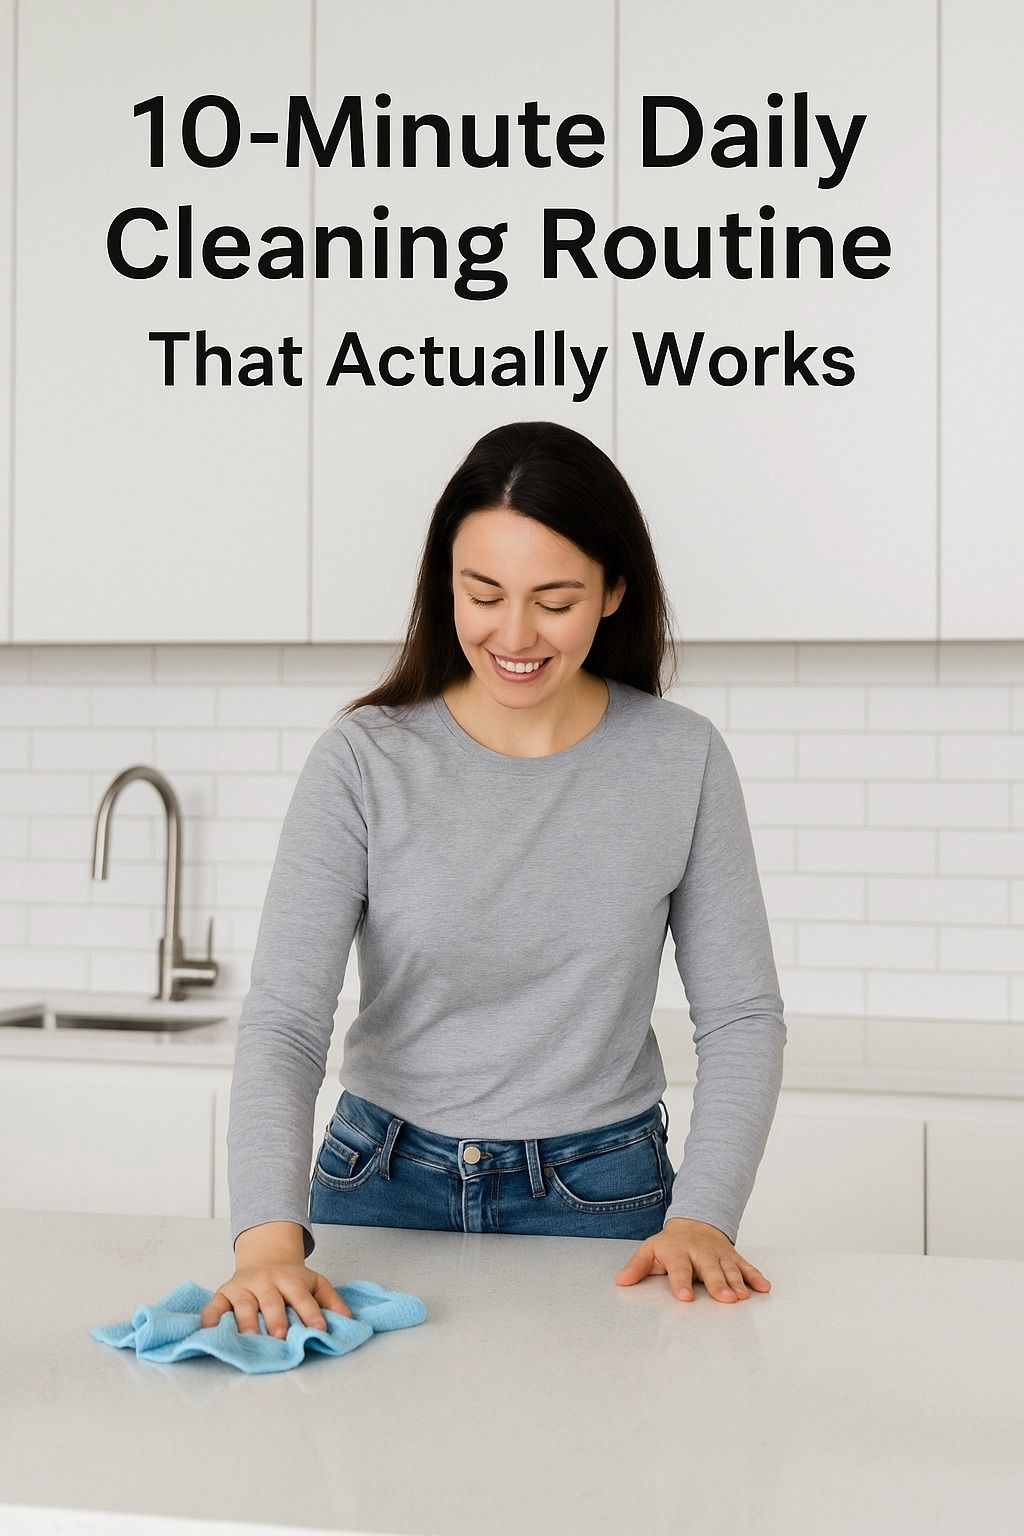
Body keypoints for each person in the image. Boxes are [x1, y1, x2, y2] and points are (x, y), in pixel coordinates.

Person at [199, 420, 786, 1338]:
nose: (515, 634)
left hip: (606, 1196)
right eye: (485, 594)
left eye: (555, 600)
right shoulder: (363, 760)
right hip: (378, 1183)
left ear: (614, 592)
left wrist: (703, 1215)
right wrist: (267, 1243)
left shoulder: (682, 761)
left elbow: (743, 1017)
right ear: (447, 588)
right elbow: (284, 1022)